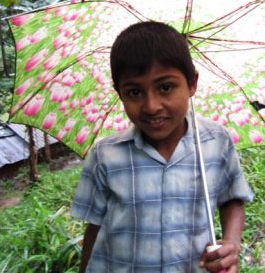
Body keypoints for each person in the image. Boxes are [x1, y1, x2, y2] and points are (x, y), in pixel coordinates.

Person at [71, 21, 254, 272]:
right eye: (134, 92)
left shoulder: (216, 141)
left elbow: (232, 197)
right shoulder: (106, 156)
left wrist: (231, 244)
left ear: (192, 83)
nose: (151, 106)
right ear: (119, 93)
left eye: (165, 87)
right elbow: (95, 225)